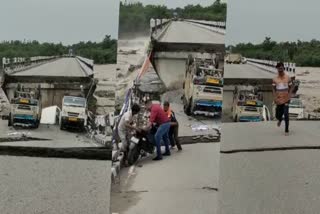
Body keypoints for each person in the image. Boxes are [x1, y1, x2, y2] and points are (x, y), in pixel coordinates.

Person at [272, 62, 293, 136]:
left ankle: (286, 130)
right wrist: (275, 97)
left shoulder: (288, 78)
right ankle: (280, 119)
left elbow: (291, 87)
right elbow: (274, 89)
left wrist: (290, 95)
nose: (280, 70)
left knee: (286, 114)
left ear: (283, 68)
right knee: (278, 114)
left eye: (281, 68)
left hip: (286, 98)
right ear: (277, 69)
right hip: (279, 99)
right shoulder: (275, 79)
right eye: (279, 69)